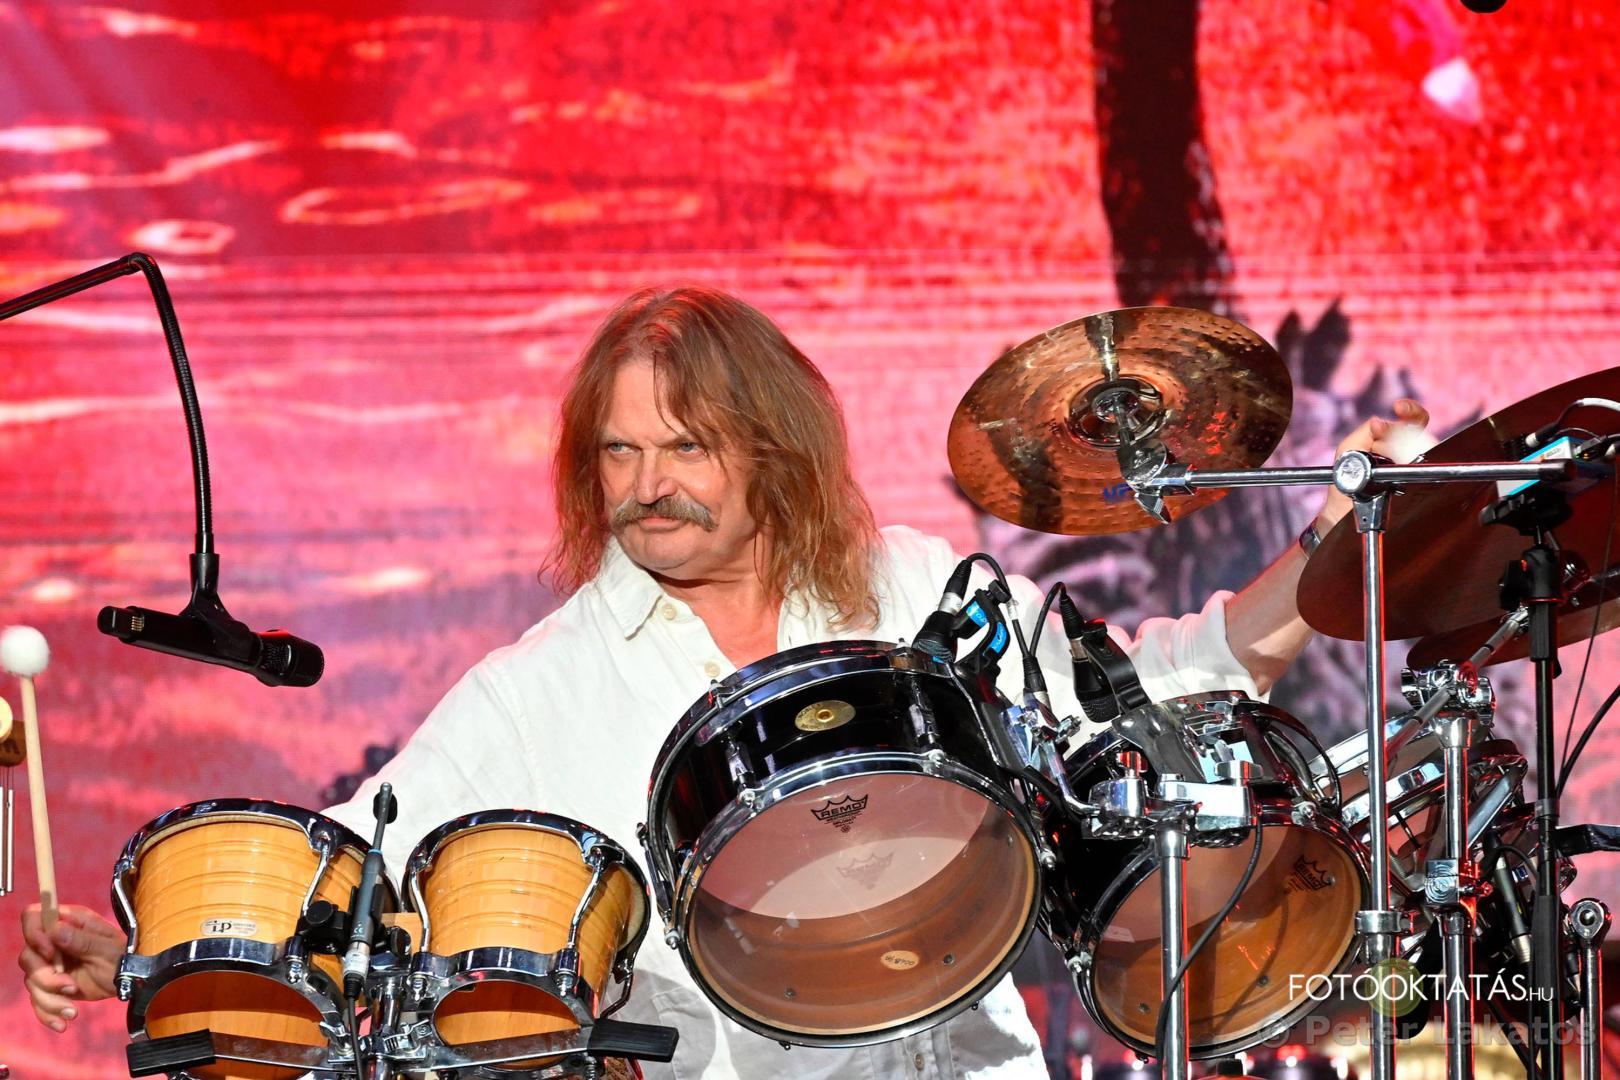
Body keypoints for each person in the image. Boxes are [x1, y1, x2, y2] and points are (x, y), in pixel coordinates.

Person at [19, 287, 1429, 1077]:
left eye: (685, 448)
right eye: (620, 454)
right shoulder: (539, 687)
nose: (648, 487)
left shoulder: (909, 587)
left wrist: (1324, 553)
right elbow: (350, 870)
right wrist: (143, 950)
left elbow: (1157, 692)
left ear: (771, 449)